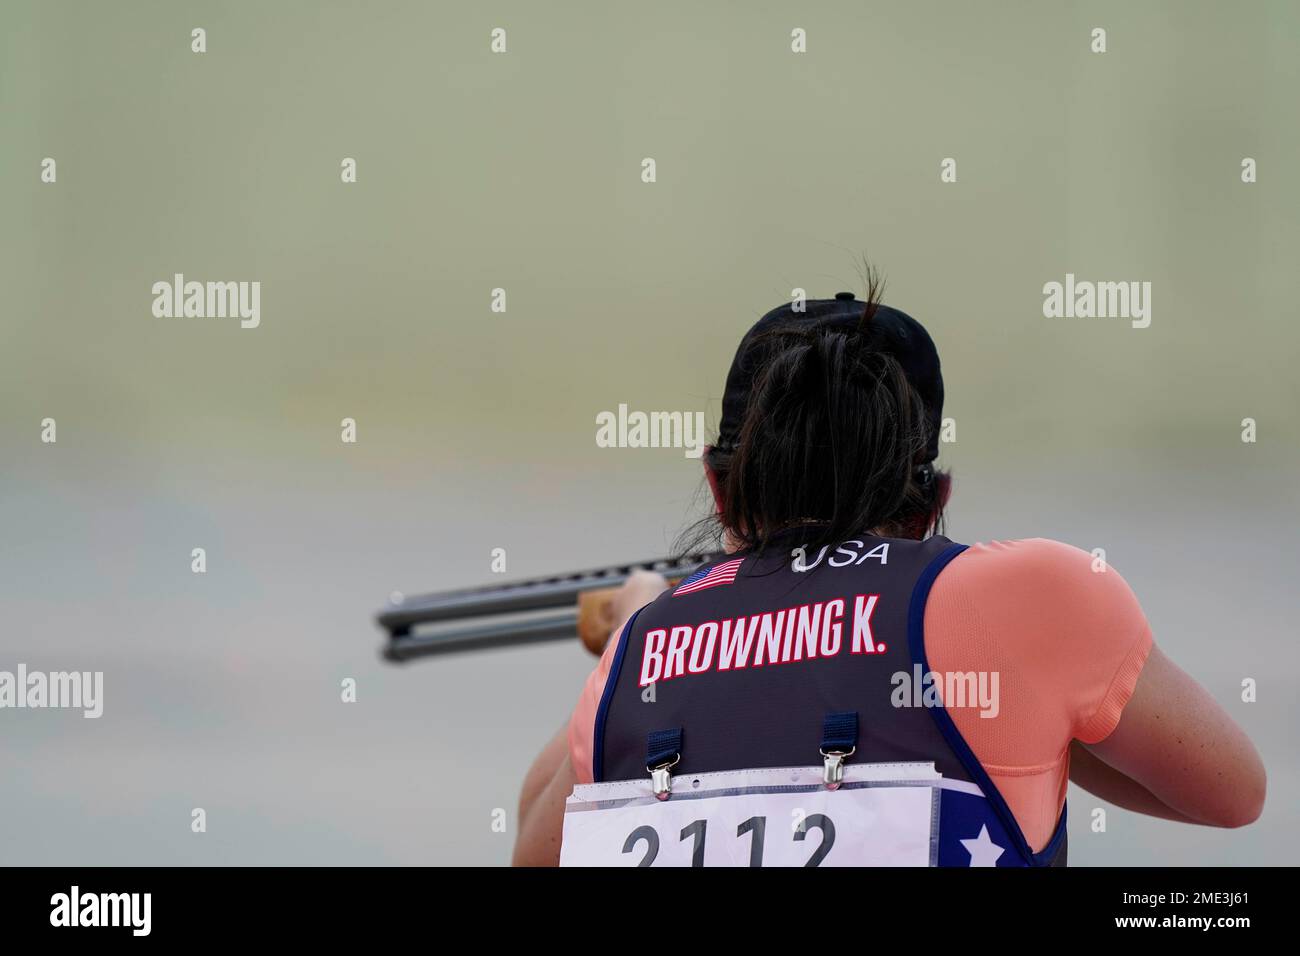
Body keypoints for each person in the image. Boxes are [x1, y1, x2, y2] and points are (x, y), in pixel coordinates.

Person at [512, 277, 1265, 866]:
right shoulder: (1033, 595)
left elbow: (536, 851)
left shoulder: (642, 647)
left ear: (720, 488)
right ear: (931, 500)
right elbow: (1231, 793)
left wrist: (640, 626)